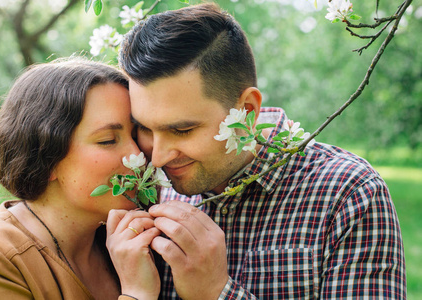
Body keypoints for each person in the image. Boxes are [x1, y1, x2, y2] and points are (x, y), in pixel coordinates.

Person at [119, 3, 407, 299]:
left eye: (181, 130)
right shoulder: (142, 191)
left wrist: (216, 293)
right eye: (144, 128)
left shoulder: (349, 194)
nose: (157, 158)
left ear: (245, 111)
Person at [0, 58, 161, 300]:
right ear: (45, 157)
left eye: (137, 134)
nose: (137, 155)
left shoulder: (133, 240)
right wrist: (137, 294)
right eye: (107, 140)